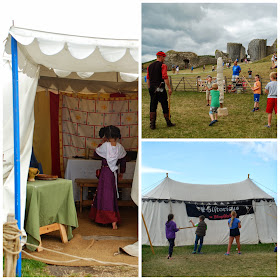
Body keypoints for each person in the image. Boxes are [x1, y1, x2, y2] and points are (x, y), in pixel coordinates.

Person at [89, 126, 126, 230]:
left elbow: (96, 153)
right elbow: (123, 160)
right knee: (111, 195)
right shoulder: (120, 147)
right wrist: (121, 173)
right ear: (117, 136)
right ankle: (113, 220)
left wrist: (102, 142)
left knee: (104, 195)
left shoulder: (104, 146)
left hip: (105, 172)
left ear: (106, 136)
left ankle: (107, 219)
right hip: (113, 173)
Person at [146, 51, 175, 129]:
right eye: (164, 57)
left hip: (152, 88)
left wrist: (149, 88)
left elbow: (148, 78)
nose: (164, 59)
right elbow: (165, 77)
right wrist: (169, 88)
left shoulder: (150, 66)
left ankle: (152, 124)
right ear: (161, 57)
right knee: (164, 104)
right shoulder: (163, 65)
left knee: (153, 105)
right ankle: (168, 122)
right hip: (160, 87)